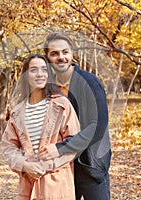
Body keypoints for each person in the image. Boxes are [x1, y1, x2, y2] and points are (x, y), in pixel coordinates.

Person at [39, 32, 111, 200]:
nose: (61, 57)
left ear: (72, 53)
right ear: (47, 57)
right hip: (63, 167)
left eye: (65, 52)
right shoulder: (49, 87)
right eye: (54, 53)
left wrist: (59, 148)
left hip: (90, 165)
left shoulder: (89, 82)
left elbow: (98, 126)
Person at [1, 54, 80, 200]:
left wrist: (46, 166)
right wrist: (25, 166)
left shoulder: (62, 105)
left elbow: (75, 143)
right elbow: (8, 147)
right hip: (28, 186)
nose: (40, 74)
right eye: (33, 70)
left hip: (57, 185)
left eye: (44, 70)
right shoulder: (17, 112)